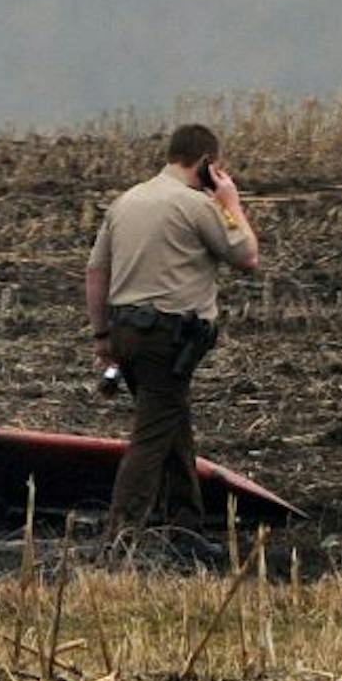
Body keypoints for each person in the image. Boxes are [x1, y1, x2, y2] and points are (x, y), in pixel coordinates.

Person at [85, 123, 260, 542]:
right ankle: (120, 537)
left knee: (171, 423)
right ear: (205, 164)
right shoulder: (196, 205)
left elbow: (96, 271)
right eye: (217, 168)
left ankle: (185, 528)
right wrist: (231, 203)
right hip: (168, 337)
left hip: (125, 331)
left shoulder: (126, 202)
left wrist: (102, 337)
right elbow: (247, 256)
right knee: (151, 435)